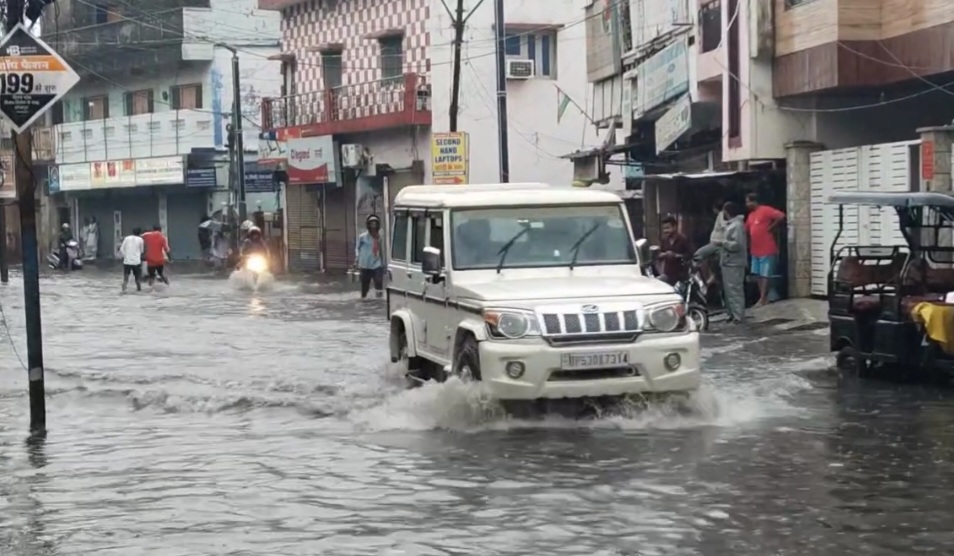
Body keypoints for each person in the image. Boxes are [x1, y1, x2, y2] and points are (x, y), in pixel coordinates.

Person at [744, 193, 786, 306]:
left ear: (754, 201)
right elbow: (746, 229)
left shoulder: (765, 210)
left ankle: (763, 298)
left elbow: (781, 216)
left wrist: (772, 227)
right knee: (757, 274)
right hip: (755, 249)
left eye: (748, 202)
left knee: (765, 274)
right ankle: (762, 297)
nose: (747, 204)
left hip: (767, 248)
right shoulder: (751, 215)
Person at [720, 202, 748, 324]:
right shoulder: (731, 225)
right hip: (728, 262)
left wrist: (723, 243)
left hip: (734, 262)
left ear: (727, 212)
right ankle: (731, 313)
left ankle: (738, 315)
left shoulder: (736, 226)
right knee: (729, 290)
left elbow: (737, 245)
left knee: (735, 290)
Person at [656, 215, 693, 285]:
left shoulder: (683, 239)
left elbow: (690, 255)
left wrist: (676, 255)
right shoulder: (664, 241)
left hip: (681, 277)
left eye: (668, 228)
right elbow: (659, 256)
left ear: (675, 227)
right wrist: (665, 254)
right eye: (664, 228)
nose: (665, 231)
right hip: (667, 275)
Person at [354, 214, 384, 298]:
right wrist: (356, 259)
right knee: (364, 288)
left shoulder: (380, 237)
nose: (373, 226)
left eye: (375, 224)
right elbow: (357, 248)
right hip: (365, 265)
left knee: (379, 285)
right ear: (368, 225)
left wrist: (383, 264)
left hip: (376, 264)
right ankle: (364, 300)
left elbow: (381, 250)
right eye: (372, 224)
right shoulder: (362, 237)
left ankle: (379, 300)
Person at [118, 227, 145, 292]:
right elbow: (142, 251)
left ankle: (123, 291)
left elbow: (121, 249)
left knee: (125, 279)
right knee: (137, 279)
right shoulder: (140, 240)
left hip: (127, 261)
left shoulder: (127, 238)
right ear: (140, 233)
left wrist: (125, 256)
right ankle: (139, 291)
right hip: (136, 262)